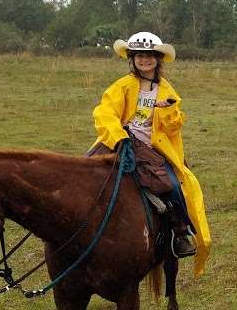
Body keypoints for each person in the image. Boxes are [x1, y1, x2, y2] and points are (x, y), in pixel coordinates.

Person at [89, 31, 212, 275]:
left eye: (149, 56)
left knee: (175, 185)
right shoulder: (122, 86)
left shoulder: (166, 90)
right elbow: (104, 113)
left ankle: (179, 233)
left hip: (155, 148)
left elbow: (174, 125)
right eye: (139, 56)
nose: (145, 60)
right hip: (121, 140)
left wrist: (166, 111)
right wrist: (119, 138)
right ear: (132, 59)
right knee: (83, 169)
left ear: (158, 59)